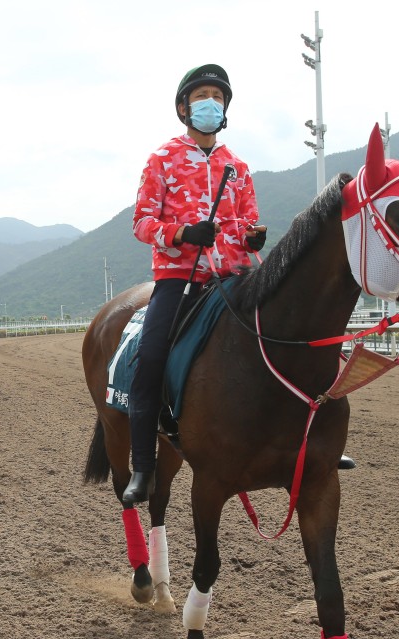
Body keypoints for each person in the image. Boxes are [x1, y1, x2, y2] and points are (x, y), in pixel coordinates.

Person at [124, 64, 266, 504]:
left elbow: (247, 220)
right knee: (150, 358)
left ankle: (306, 440)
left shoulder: (238, 166)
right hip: (179, 279)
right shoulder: (161, 159)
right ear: (184, 108)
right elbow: (142, 223)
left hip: (234, 276)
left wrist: (252, 237)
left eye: (218, 97)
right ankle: (143, 466)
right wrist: (183, 233)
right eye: (202, 96)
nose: (211, 103)